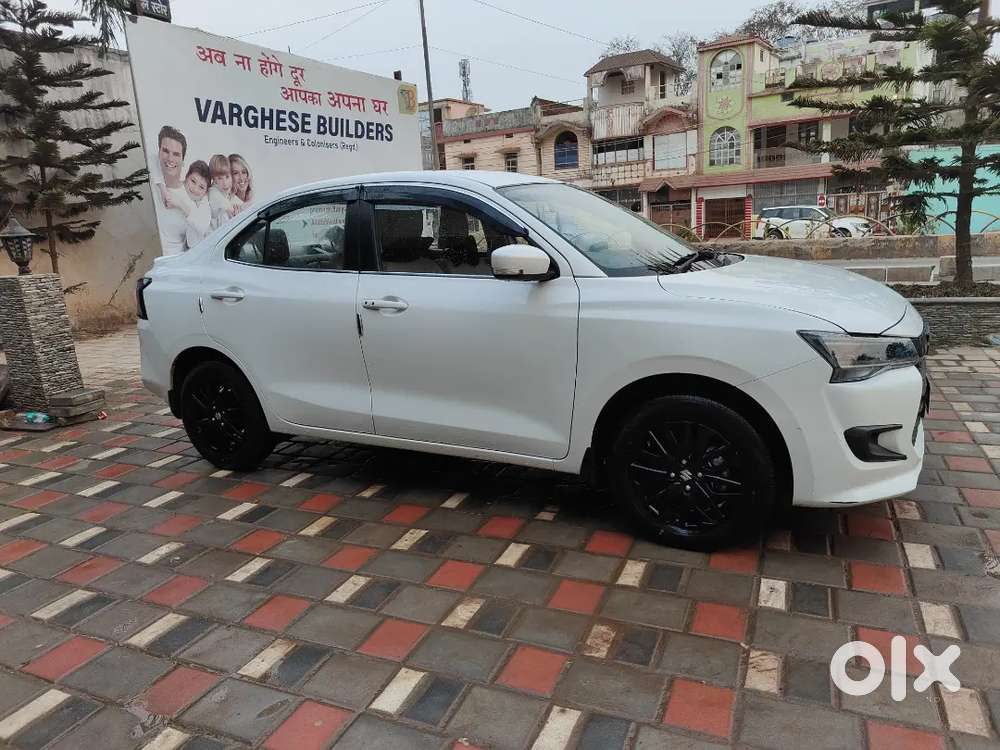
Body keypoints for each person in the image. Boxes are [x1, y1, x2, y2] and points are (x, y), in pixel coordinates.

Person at [151, 126, 190, 255]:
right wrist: (162, 187)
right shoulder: (151, 178)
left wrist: (180, 204)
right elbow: (151, 158)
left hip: (173, 267)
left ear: (183, 160)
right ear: (159, 152)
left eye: (176, 154)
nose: (170, 158)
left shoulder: (190, 194)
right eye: (165, 151)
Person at [176, 160, 212, 250]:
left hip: (197, 248)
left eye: (201, 187)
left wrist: (182, 207)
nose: (195, 189)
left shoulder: (204, 204)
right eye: (193, 181)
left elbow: (202, 227)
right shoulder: (179, 190)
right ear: (186, 178)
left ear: (206, 192)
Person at [208, 154, 243, 230]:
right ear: (214, 180)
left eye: (227, 177)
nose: (225, 183)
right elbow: (231, 210)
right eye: (219, 178)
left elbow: (243, 207)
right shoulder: (212, 192)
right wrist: (237, 215)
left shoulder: (228, 195)